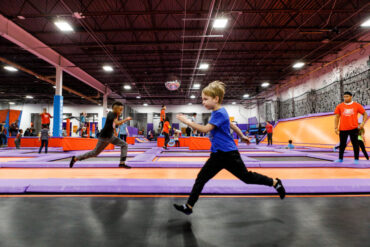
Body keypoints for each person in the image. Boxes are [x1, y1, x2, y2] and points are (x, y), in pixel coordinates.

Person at [173, 81, 285, 215]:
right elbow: (231, 125)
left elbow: (205, 129)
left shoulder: (219, 113)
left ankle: (275, 182)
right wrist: (242, 135)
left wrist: (186, 122)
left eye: (205, 99)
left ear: (216, 99)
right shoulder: (218, 112)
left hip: (229, 155)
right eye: (202, 99)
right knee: (201, 178)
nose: (203, 102)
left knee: (247, 178)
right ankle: (189, 206)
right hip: (217, 155)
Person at [69, 102, 132, 169]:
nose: (121, 111)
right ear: (116, 109)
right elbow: (117, 123)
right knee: (95, 153)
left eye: (122, 109)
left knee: (124, 144)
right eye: (120, 109)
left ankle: (122, 163)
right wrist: (126, 119)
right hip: (104, 137)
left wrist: (115, 133)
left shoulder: (114, 115)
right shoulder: (112, 114)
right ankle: (75, 158)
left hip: (110, 136)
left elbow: (112, 125)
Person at [334, 92, 367, 164]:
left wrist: (363, 123)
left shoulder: (357, 105)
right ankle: (340, 159)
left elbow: (365, 114)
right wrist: (336, 128)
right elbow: (336, 117)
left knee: (355, 144)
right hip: (343, 129)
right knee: (342, 145)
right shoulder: (340, 106)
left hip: (354, 128)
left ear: (351, 97)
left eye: (347, 96)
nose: (345, 98)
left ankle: (356, 160)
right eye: (344, 97)